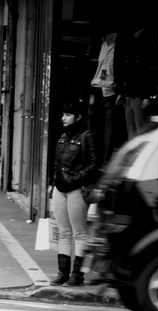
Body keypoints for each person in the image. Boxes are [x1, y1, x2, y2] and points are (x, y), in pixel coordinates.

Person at [49, 102, 100, 286]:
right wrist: (53, 184)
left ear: (78, 117)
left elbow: (94, 165)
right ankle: (63, 273)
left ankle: (77, 275)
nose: (63, 117)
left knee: (79, 233)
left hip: (78, 189)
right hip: (60, 189)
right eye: (63, 114)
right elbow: (56, 164)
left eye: (68, 114)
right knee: (63, 232)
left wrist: (76, 178)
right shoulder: (62, 137)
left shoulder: (87, 137)